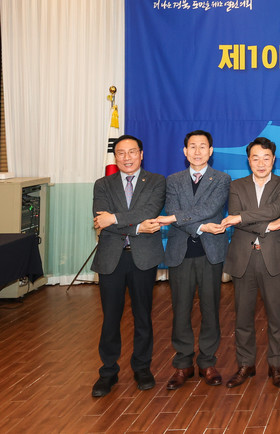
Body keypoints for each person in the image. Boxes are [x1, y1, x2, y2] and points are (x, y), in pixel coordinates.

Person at [90, 134, 166, 397]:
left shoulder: (156, 181)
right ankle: (108, 372)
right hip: (111, 258)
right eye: (121, 153)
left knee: (143, 316)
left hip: (143, 257)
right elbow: (101, 221)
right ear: (115, 157)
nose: (127, 157)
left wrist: (115, 219)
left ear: (141, 154)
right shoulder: (103, 184)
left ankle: (142, 368)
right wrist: (136, 227)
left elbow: (148, 212)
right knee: (110, 317)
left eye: (132, 152)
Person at [155, 130, 231, 390]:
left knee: (210, 309)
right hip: (181, 252)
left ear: (211, 151)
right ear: (184, 151)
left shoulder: (222, 179)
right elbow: (172, 210)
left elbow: (209, 209)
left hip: (210, 253)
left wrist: (177, 219)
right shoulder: (173, 180)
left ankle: (207, 361)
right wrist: (199, 227)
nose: (197, 151)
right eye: (192, 146)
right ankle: (183, 363)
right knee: (180, 310)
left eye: (203, 146)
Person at [221, 137, 280, 388]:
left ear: (274, 159)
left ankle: (276, 365)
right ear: (248, 160)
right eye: (255, 158)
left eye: (266, 158)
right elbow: (236, 217)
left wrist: (241, 217)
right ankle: (245, 364)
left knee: (277, 315)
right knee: (242, 316)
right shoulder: (236, 185)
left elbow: (274, 210)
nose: (261, 163)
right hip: (244, 257)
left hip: (273, 258)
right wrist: (267, 226)